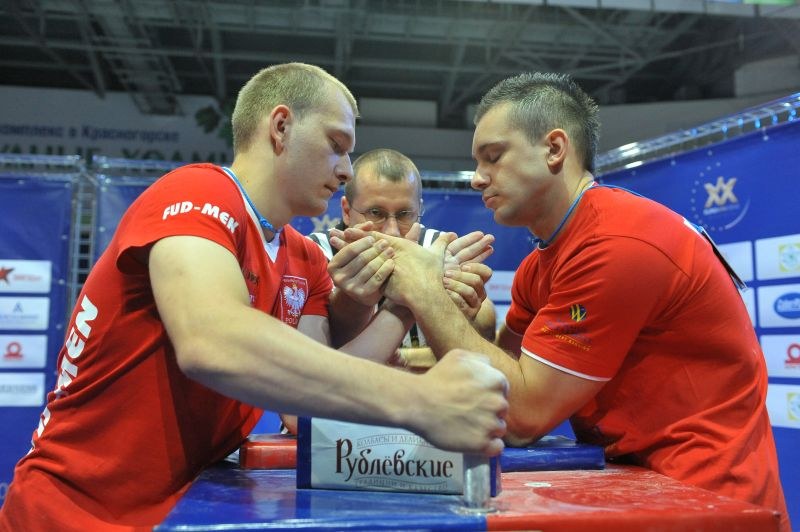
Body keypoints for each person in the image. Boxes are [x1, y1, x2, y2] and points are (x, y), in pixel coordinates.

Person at [0, 63, 509, 530]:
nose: (348, 169)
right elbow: (212, 342)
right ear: (281, 127)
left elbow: (303, 409)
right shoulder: (197, 193)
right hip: (71, 511)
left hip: (175, 510)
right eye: (337, 144)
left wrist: (408, 299)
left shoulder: (304, 259)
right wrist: (423, 400)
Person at [333, 72, 789, 531]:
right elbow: (502, 374)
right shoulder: (545, 260)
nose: (476, 179)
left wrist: (423, 291)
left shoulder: (616, 243)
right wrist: (445, 316)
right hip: (639, 487)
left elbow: (521, 416)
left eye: (493, 157)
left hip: (708, 501)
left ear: (554, 149)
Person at [309, 148, 497, 367]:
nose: (392, 231)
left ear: (419, 209)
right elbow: (310, 356)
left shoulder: (437, 248)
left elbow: (485, 327)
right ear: (346, 211)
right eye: (376, 213)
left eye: (404, 214)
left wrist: (466, 306)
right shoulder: (314, 253)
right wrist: (423, 290)